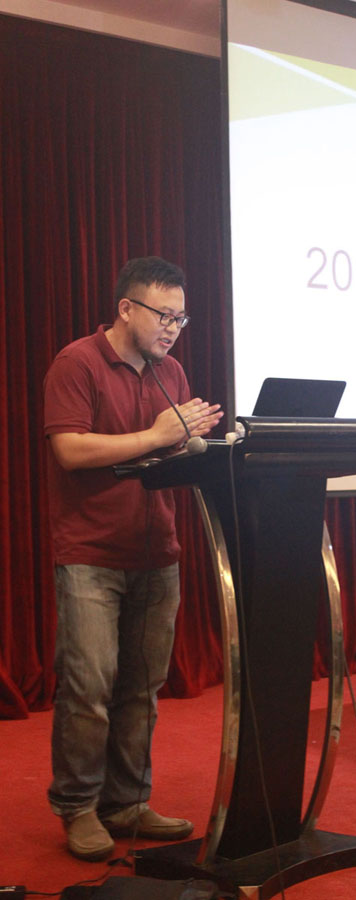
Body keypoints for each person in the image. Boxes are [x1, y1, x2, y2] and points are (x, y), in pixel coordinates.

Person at [43, 256, 223, 862]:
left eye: (181, 319)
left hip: (158, 552)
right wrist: (157, 436)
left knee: (142, 687)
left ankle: (126, 802)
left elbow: (168, 452)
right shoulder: (77, 363)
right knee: (88, 687)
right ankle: (78, 807)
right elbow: (70, 450)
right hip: (91, 554)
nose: (173, 329)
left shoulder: (171, 372)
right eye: (163, 315)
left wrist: (202, 445)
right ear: (126, 308)